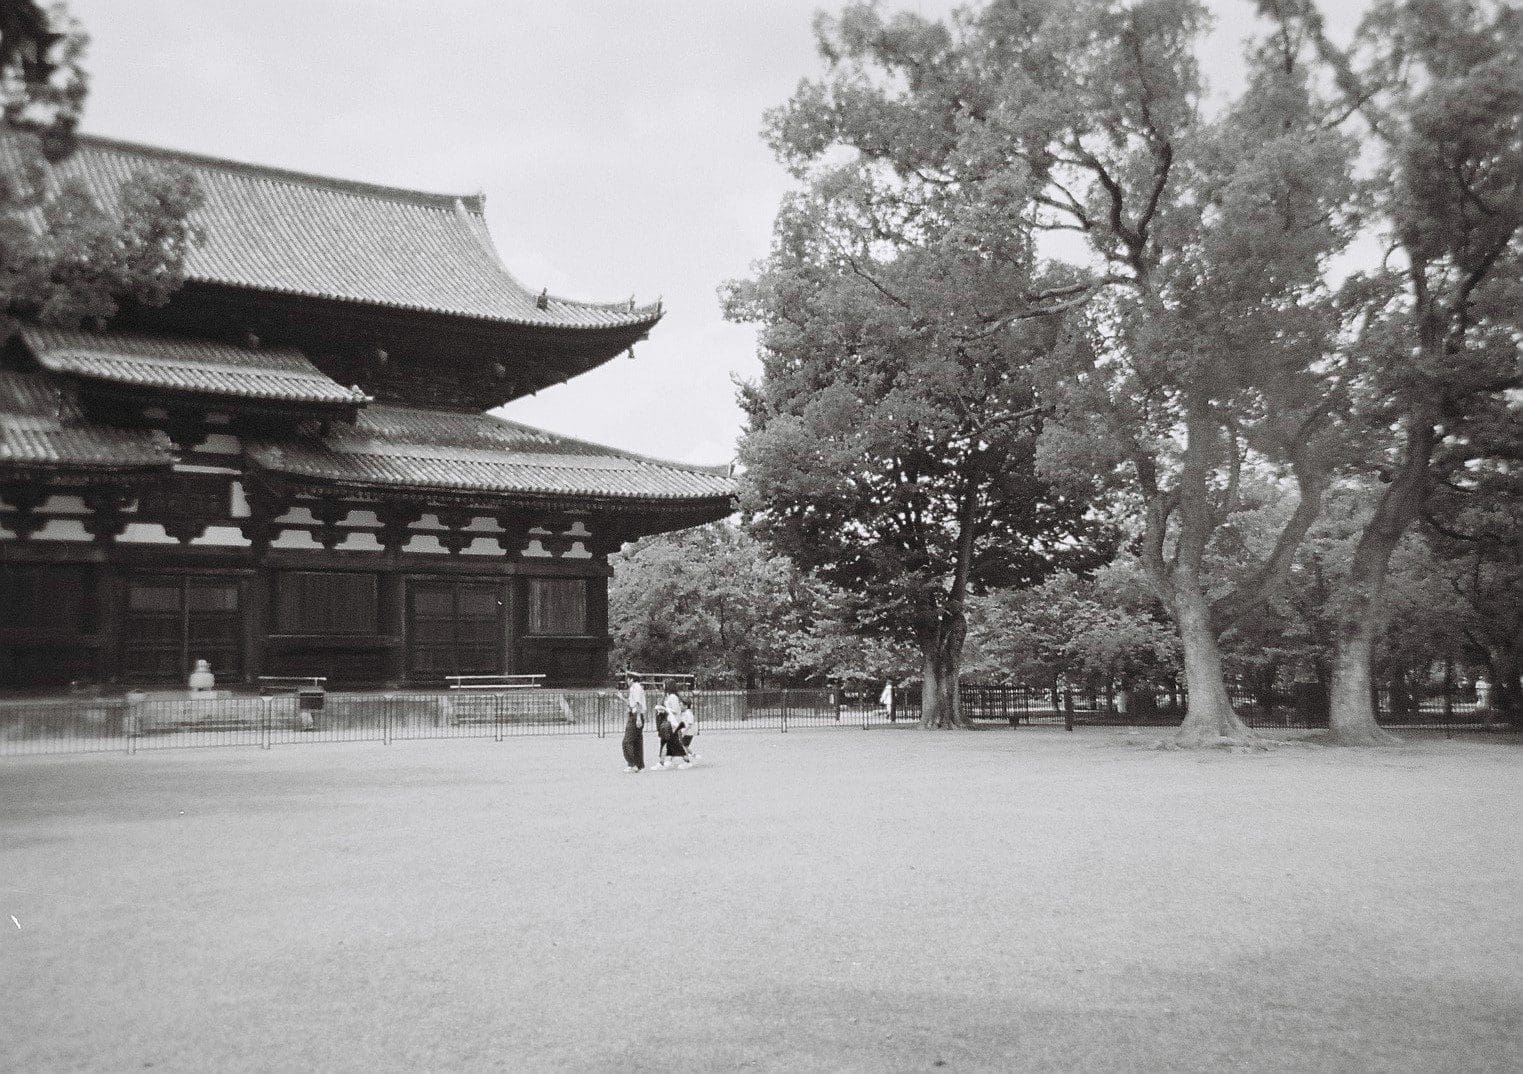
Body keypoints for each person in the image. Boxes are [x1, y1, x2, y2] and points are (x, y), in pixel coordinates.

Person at [622, 679, 647, 773]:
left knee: (627, 741)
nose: (626, 681)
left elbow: (637, 704)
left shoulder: (636, 688)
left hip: (636, 715)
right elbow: (632, 704)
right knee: (637, 742)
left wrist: (638, 718)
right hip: (636, 714)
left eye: (628, 679)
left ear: (631, 679)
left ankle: (633, 764)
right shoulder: (635, 688)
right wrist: (622, 698)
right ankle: (639, 765)